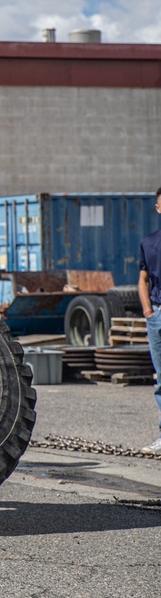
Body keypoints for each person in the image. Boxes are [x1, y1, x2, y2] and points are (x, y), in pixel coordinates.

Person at [138, 186, 161, 454]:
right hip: (156, 316)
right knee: (160, 381)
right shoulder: (149, 241)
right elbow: (143, 279)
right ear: (157, 208)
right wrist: (147, 310)